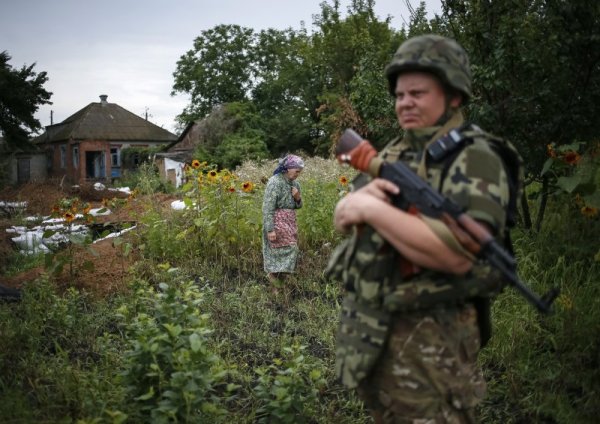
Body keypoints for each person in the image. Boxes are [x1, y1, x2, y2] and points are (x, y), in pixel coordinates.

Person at [327, 35, 523, 423]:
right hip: (376, 335)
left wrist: (372, 210)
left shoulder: (477, 158)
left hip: (434, 346)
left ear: (453, 96)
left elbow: (453, 254)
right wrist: (350, 209)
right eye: (400, 95)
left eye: (418, 92)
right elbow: (348, 218)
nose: (405, 103)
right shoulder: (395, 153)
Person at [262, 154, 305, 287]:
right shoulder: (275, 182)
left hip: (290, 223)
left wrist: (297, 197)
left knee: (291, 252)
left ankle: (279, 286)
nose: (298, 173)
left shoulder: (295, 184)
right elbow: (267, 207)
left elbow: (298, 206)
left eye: (300, 171)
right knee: (276, 254)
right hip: (276, 222)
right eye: (296, 170)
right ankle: (276, 289)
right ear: (288, 168)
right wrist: (270, 229)